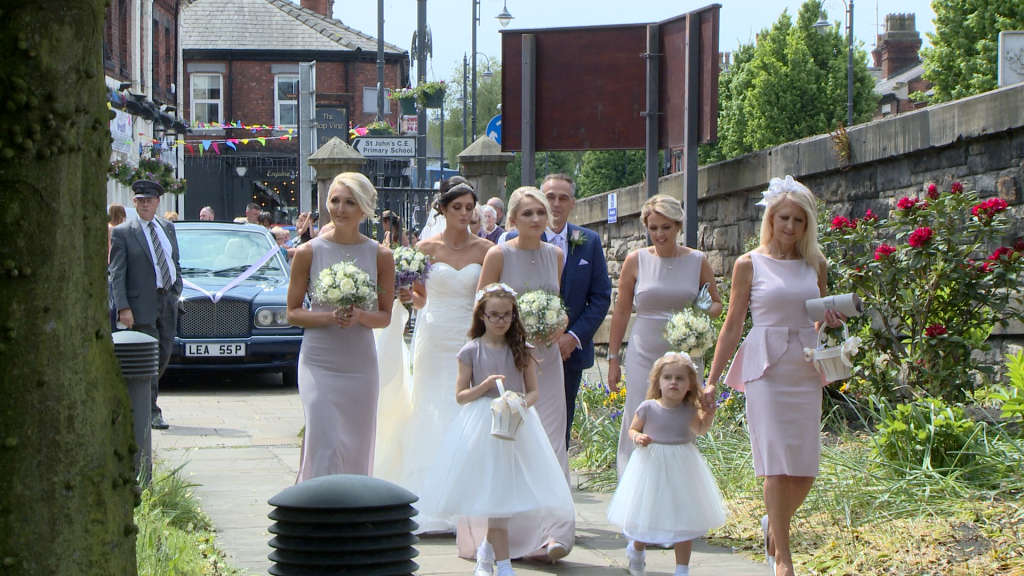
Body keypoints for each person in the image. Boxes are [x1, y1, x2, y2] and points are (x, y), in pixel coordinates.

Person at [703, 176, 845, 576]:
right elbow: (732, 325)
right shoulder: (748, 264)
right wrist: (712, 379)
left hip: (803, 367)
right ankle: (783, 557)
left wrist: (828, 323)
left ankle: (773, 525)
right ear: (770, 218)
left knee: (805, 470)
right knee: (775, 464)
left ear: (807, 225)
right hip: (764, 368)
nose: (790, 226)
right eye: (784, 217)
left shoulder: (817, 264)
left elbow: (817, 321)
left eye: (799, 220)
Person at [417, 284, 576, 576]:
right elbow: (461, 396)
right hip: (482, 426)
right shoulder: (471, 351)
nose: (501, 321)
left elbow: (534, 393)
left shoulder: (522, 350)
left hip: (515, 425)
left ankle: (487, 555)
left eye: (507, 315)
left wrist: (519, 403)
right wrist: (485, 386)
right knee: (494, 498)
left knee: (504, 498)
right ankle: (502, 566)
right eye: (494, 315)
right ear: (482, 316)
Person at [374, 180, 491, 534]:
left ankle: (465, 498)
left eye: (470, 208)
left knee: (465, 408)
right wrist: (409, 296)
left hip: (468, 334)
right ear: (442, 210)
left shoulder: (486, 249)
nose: (464, 214)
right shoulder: (424, 248)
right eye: (458, 208)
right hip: (435, 334)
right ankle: (426, 494)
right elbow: (420, 298)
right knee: (431, 404)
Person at [471, 186, 574, 562]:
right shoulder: (498, 254)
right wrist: (515, 330)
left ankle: (554, 532)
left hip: (546, 362)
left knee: (550, 441)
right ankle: (507, 538)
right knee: (513, 445)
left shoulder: (556, 255)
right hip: (510, 360)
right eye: (527, 213)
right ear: (511, 219)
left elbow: (557, 304)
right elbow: (480, 308)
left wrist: (559, 323)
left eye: (541, 213)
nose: (535, 219)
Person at [286, 172, 396, 481]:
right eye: (335, 201)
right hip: (319, 361)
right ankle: (316, 511)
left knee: (356, 446)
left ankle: (352, 513)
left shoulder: (381, 255)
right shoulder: (309, 252)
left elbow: (385, 316)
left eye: (350, 202)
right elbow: (293, 313)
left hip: (360, 365)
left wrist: (361, 316)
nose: (341, 209)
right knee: (326, 443)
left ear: (364, 209)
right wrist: (327, 317)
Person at [607, 194, 722, 477]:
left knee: (683, 413)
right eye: (653, 227)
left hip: (685, 351)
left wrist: (696, 318)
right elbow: (621, 312)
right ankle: (633, 485)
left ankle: (676, 484)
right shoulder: (635, 261)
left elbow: (717, 304)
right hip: (644, 349)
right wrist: (612, 358)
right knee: (639, 412)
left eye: (666, 227)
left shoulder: (697, 260)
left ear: (678, 226)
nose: (659, 234)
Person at [606, 352, 727, 576]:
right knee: (648, 515)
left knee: (684, 519)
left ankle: (682, 569)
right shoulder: (648, 407)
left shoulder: (689, 410)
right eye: (668, 377)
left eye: (680, 378)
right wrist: (637, 438)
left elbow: (699, 430)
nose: (673, 382)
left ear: (690, 385)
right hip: (652, 465)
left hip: (682, 465)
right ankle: (636, 548)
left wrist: (708, 415)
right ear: (658, 382)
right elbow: (632, 429)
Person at [109, 180, 182, 430]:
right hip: (141, 304)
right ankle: (150, 410)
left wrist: (176, 292)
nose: (145, 205)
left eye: (149, 201)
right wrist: (123, 307)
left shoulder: (167, 227)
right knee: (149, 357)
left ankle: (137, 398)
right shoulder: (123, 232)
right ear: (134, 203)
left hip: (167, 300)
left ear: (158, 202)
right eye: (140, 201)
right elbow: (117, 274)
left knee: (163, 353)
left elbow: (175, 262)